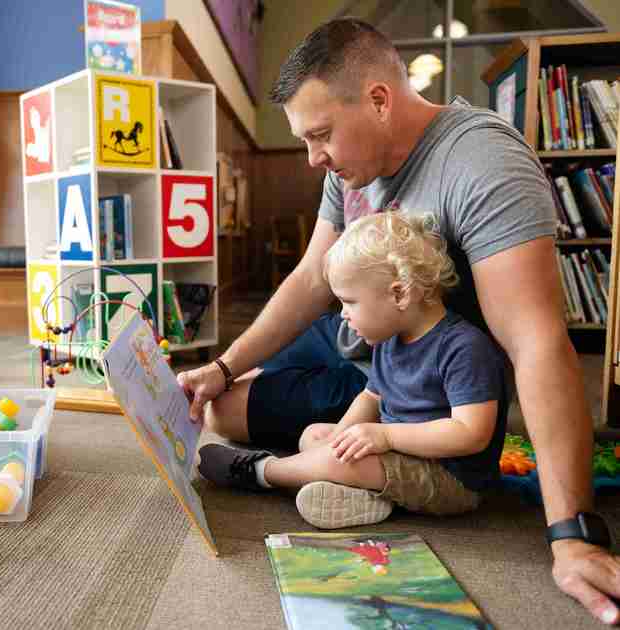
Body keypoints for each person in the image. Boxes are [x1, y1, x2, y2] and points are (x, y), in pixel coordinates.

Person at [178, 18, 620, 625]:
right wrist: (222, 364)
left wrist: (574, 535)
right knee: (222, 403)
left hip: (421, 381)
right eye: (304, 140)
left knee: (240, 421)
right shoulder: (348, 167)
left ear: (379, 100)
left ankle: (321, 473)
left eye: (322, 135)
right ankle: (324, 457)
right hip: (363, 339)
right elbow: (312, 278)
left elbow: (537, 339)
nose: (313, 159)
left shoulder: (483, 163)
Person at [198, 212, 507, 531]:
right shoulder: (391, 338)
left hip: (450, 477)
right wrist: (341, 434)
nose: (343, 315)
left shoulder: (464, 347)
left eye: (349, 302)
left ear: (399, 294)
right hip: (402, 456)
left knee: (335, 460)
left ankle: (262, 472)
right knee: (314, 435)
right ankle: (363, 496)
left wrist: (386, 435)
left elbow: (471, 434)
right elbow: (371, 396)